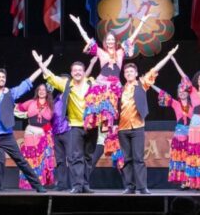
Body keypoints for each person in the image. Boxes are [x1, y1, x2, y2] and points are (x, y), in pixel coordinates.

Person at [68, 13, 148, 160]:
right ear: (105, 42)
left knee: (118, 112)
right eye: (108, 40)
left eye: (112, 40)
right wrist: (78, 24)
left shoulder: (120, 52)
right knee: (96, 113)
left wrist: (142, 22)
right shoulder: (101, 52)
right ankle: (94, 136)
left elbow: (131, 38)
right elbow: (86, 38)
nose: (110, 42)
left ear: (115, 42)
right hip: (101, 86)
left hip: (116, 86)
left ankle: (113, 137)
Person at [33, 51, 97, 194]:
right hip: (74, 125)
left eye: (80, 70)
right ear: (71, 72)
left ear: (84, 72)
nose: (77, 73)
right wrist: (40, 64)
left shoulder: (91, 82)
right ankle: (77, 185)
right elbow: (51, 77)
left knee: (88, 157)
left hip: (92, 125)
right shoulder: (66, 84)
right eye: (74, 70)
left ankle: (85, 185)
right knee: (75, 157)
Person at [118, 45, 178, 194]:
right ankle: (130, 187)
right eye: (126, 71)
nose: (129, 73)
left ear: (136, 73)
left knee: (138, 158)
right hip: (122, 128)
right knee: (127, 159)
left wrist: (168, 56)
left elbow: (155, 69)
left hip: (137, 126)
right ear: (124, 74)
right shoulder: (120, 89)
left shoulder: (141, 84)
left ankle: (142, 187)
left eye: (131, 71)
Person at [0, 64, 46, 193]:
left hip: (6, 135)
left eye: (3, 77)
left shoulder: (10, 93)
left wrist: (41, 67)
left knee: (21, 161)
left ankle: (38, 186)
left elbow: (27, 83)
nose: (2, 79)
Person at [170, 59, 200, 190]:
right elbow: (184, 76)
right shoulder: (192, 91)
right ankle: (193, 181)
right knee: (195, 153)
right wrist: (174, 61)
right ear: (197, 80)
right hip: (195, 125)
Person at [150, 57, 193, 187]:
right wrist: (150, 84)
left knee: (191, 158)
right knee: (180, 158)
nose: (182, 93)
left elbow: (185, 79)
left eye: (184, 91)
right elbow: (162, 93)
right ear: (178, 94)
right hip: (180, 134)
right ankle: (183, 182)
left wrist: (175, 61)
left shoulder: (194, 103)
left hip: (192, 134)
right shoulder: (175, 103)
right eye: (180, 92)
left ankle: (192, 181)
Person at [16, 83, 56, 190]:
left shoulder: (51, 104)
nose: (42, 91)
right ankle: (29, 183)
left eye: (44, 90)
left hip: (43, 134)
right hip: (30, 132)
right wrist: (24, 115)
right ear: (37, 91)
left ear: (47, 92)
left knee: (42, 159)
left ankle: (40, 182)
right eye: (39, 89)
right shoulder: (31, 103)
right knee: (30, 158)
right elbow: (17, 108)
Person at [51, 73, 73, 191]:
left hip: (68, 130)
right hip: (56, 132)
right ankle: (61, 184)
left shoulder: (71, 95)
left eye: (65, 81)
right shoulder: (55, 98)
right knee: (60, 160)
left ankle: (75, 184)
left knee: (71, 158)